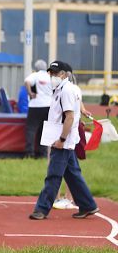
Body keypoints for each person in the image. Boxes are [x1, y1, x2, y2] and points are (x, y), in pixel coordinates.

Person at [29, 60, 98, 220]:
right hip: (65, 139)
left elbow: (69, 117)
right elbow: (73, 108)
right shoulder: (65, 89)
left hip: (63, 140)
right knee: (73, 174)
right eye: (51, 73)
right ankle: (88, 205)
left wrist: (61, 139)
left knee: (53, 175)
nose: (51, 76)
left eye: (55, 73)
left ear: (64, 75)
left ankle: (41, 209)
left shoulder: (65, 91)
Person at [53, 72, 92, 210]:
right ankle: (63, 198)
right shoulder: (68, 90)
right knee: (71, 170)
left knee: (63, 170)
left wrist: (62, 138)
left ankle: (67, 198)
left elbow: (70, 114)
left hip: (68, 133)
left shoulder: (68, 90)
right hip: (66, 132)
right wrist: (83, 110)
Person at [23, 59, 52, 158]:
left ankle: (29, 153)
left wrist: (30, 93)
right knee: (44, 130)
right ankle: (43, 154)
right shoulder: (50, 77)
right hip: (48, 106)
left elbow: (27, 81)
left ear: (36, 68)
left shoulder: (35, 75)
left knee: (31, 129)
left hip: (35, 105)